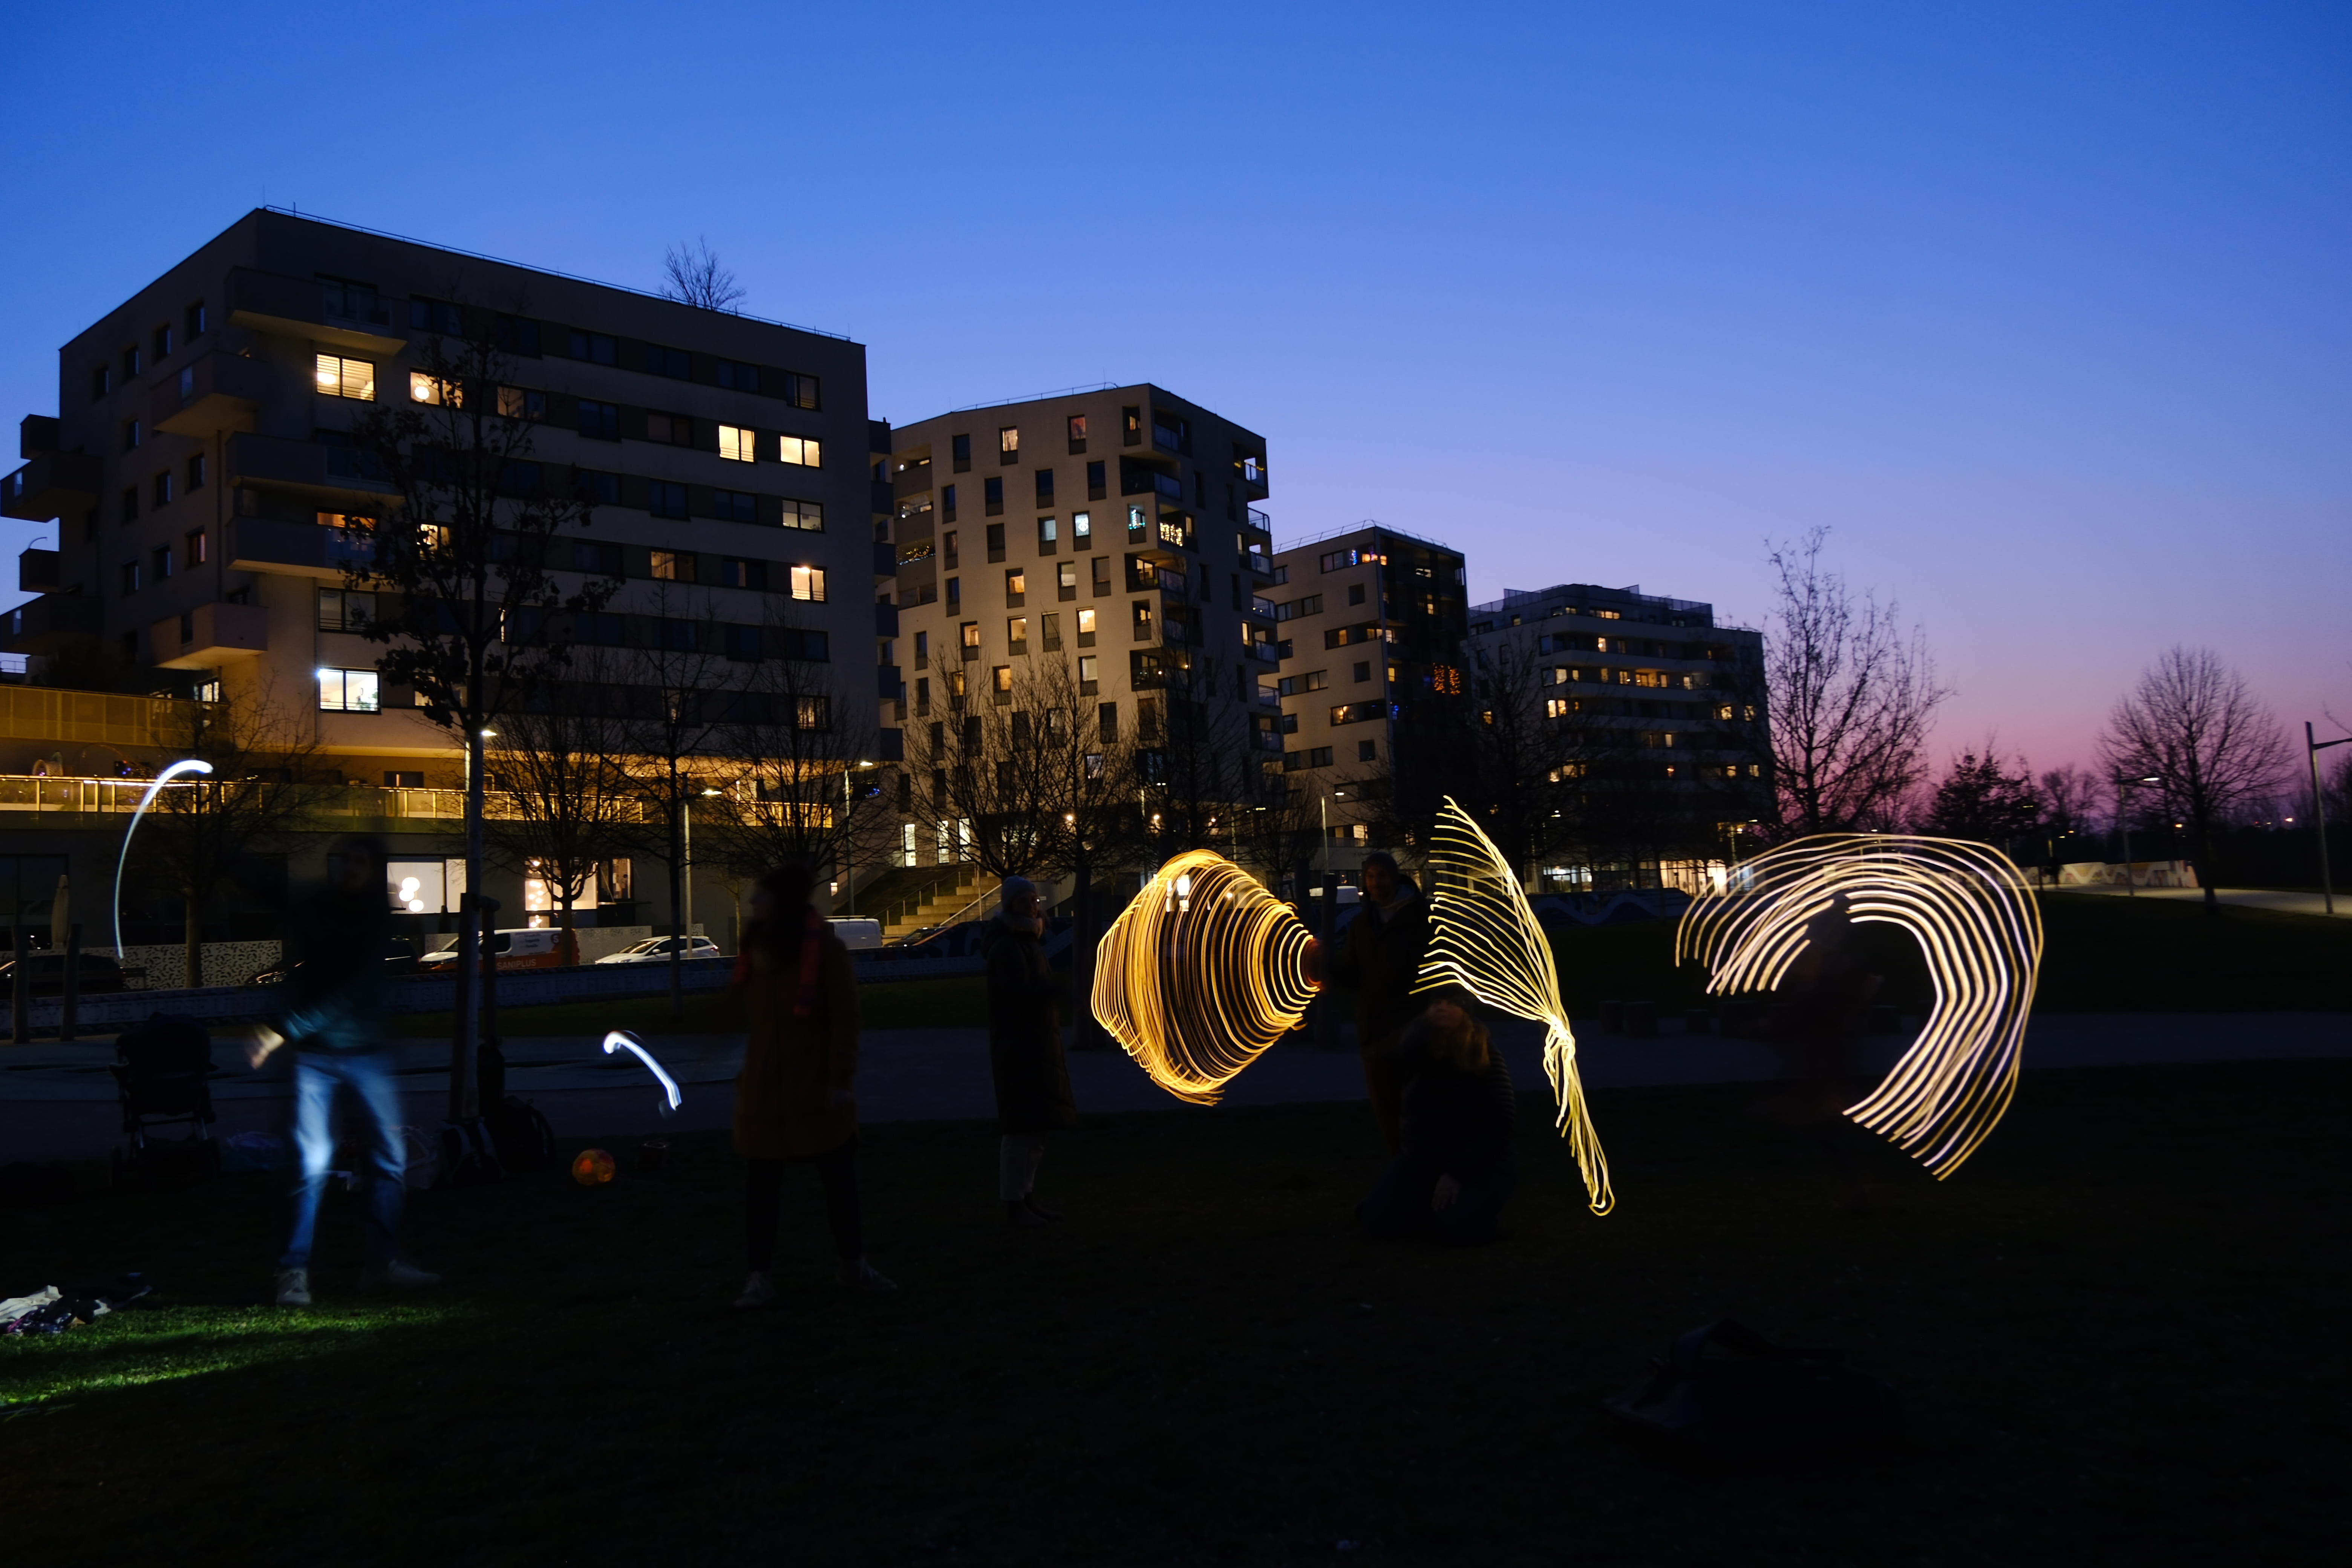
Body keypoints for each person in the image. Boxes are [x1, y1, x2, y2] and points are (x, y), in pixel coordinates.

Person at [247, 835, 438, 1306]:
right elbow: (281, 898)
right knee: (311, 1163)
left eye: (359, 860)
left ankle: (381, 1264)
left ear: (374, 868)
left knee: (390, 1159)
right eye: (343, 860)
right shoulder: (322, 907)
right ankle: (293, 1273)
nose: (349, 868)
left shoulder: (374, 919)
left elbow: (350, 988)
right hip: (318, 1055)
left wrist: (282, 1029)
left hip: (364, 1051)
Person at [730, 863, 893, 1305]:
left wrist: (839, 1077)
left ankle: (852, 1264)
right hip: (766, 1090)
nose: (752, 903)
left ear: (780, 901)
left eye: (760, 895)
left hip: (815, 1087)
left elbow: (845, 1017)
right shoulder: (756, 951)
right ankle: (759, 1275)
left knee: (838, 1181)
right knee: (763, 1187)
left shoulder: (824, 950)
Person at [1359, 997, 1517, 1245]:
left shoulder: (1483, 1052)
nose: (1442, 1008)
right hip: (1421, 1164)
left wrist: (1457, 1173)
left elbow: (1502, 1119)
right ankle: (1420, 1205)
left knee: (1455, 1229)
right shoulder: (1417, 1050)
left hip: (1479, 1165)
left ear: (1466, 1011)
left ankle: (1474, 1212)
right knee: (1378, 1222)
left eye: (1451, 1003)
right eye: (1435, 1004)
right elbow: (1382, 1056)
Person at [1324, 851, 1428, 1153]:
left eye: (1381, 876)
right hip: (1375, 1028)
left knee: (1419, 1103)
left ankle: (1426, 1164)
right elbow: (1354, 974)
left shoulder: (1420, 917)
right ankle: (1404, 1166)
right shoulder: (1362, 925)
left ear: (1395, 878)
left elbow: (1438, 969)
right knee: (1386, 1106)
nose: (1376, 883)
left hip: (1413, 1024)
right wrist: (1325, 966)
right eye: (1370, 877)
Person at [984, 876, 1073, 1226]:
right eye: (1023, 901)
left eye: (1034, 899)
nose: (1032, 906)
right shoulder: (1008, 946)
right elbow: (1016, 996)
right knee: (1021, 1130)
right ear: (1009, 907)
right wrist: (1054, 991)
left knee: (1037, 1127)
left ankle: (1026, 1197)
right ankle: (1015, 1205)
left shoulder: (1028, 941)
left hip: (1035, 1043)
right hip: (1019, 1047)